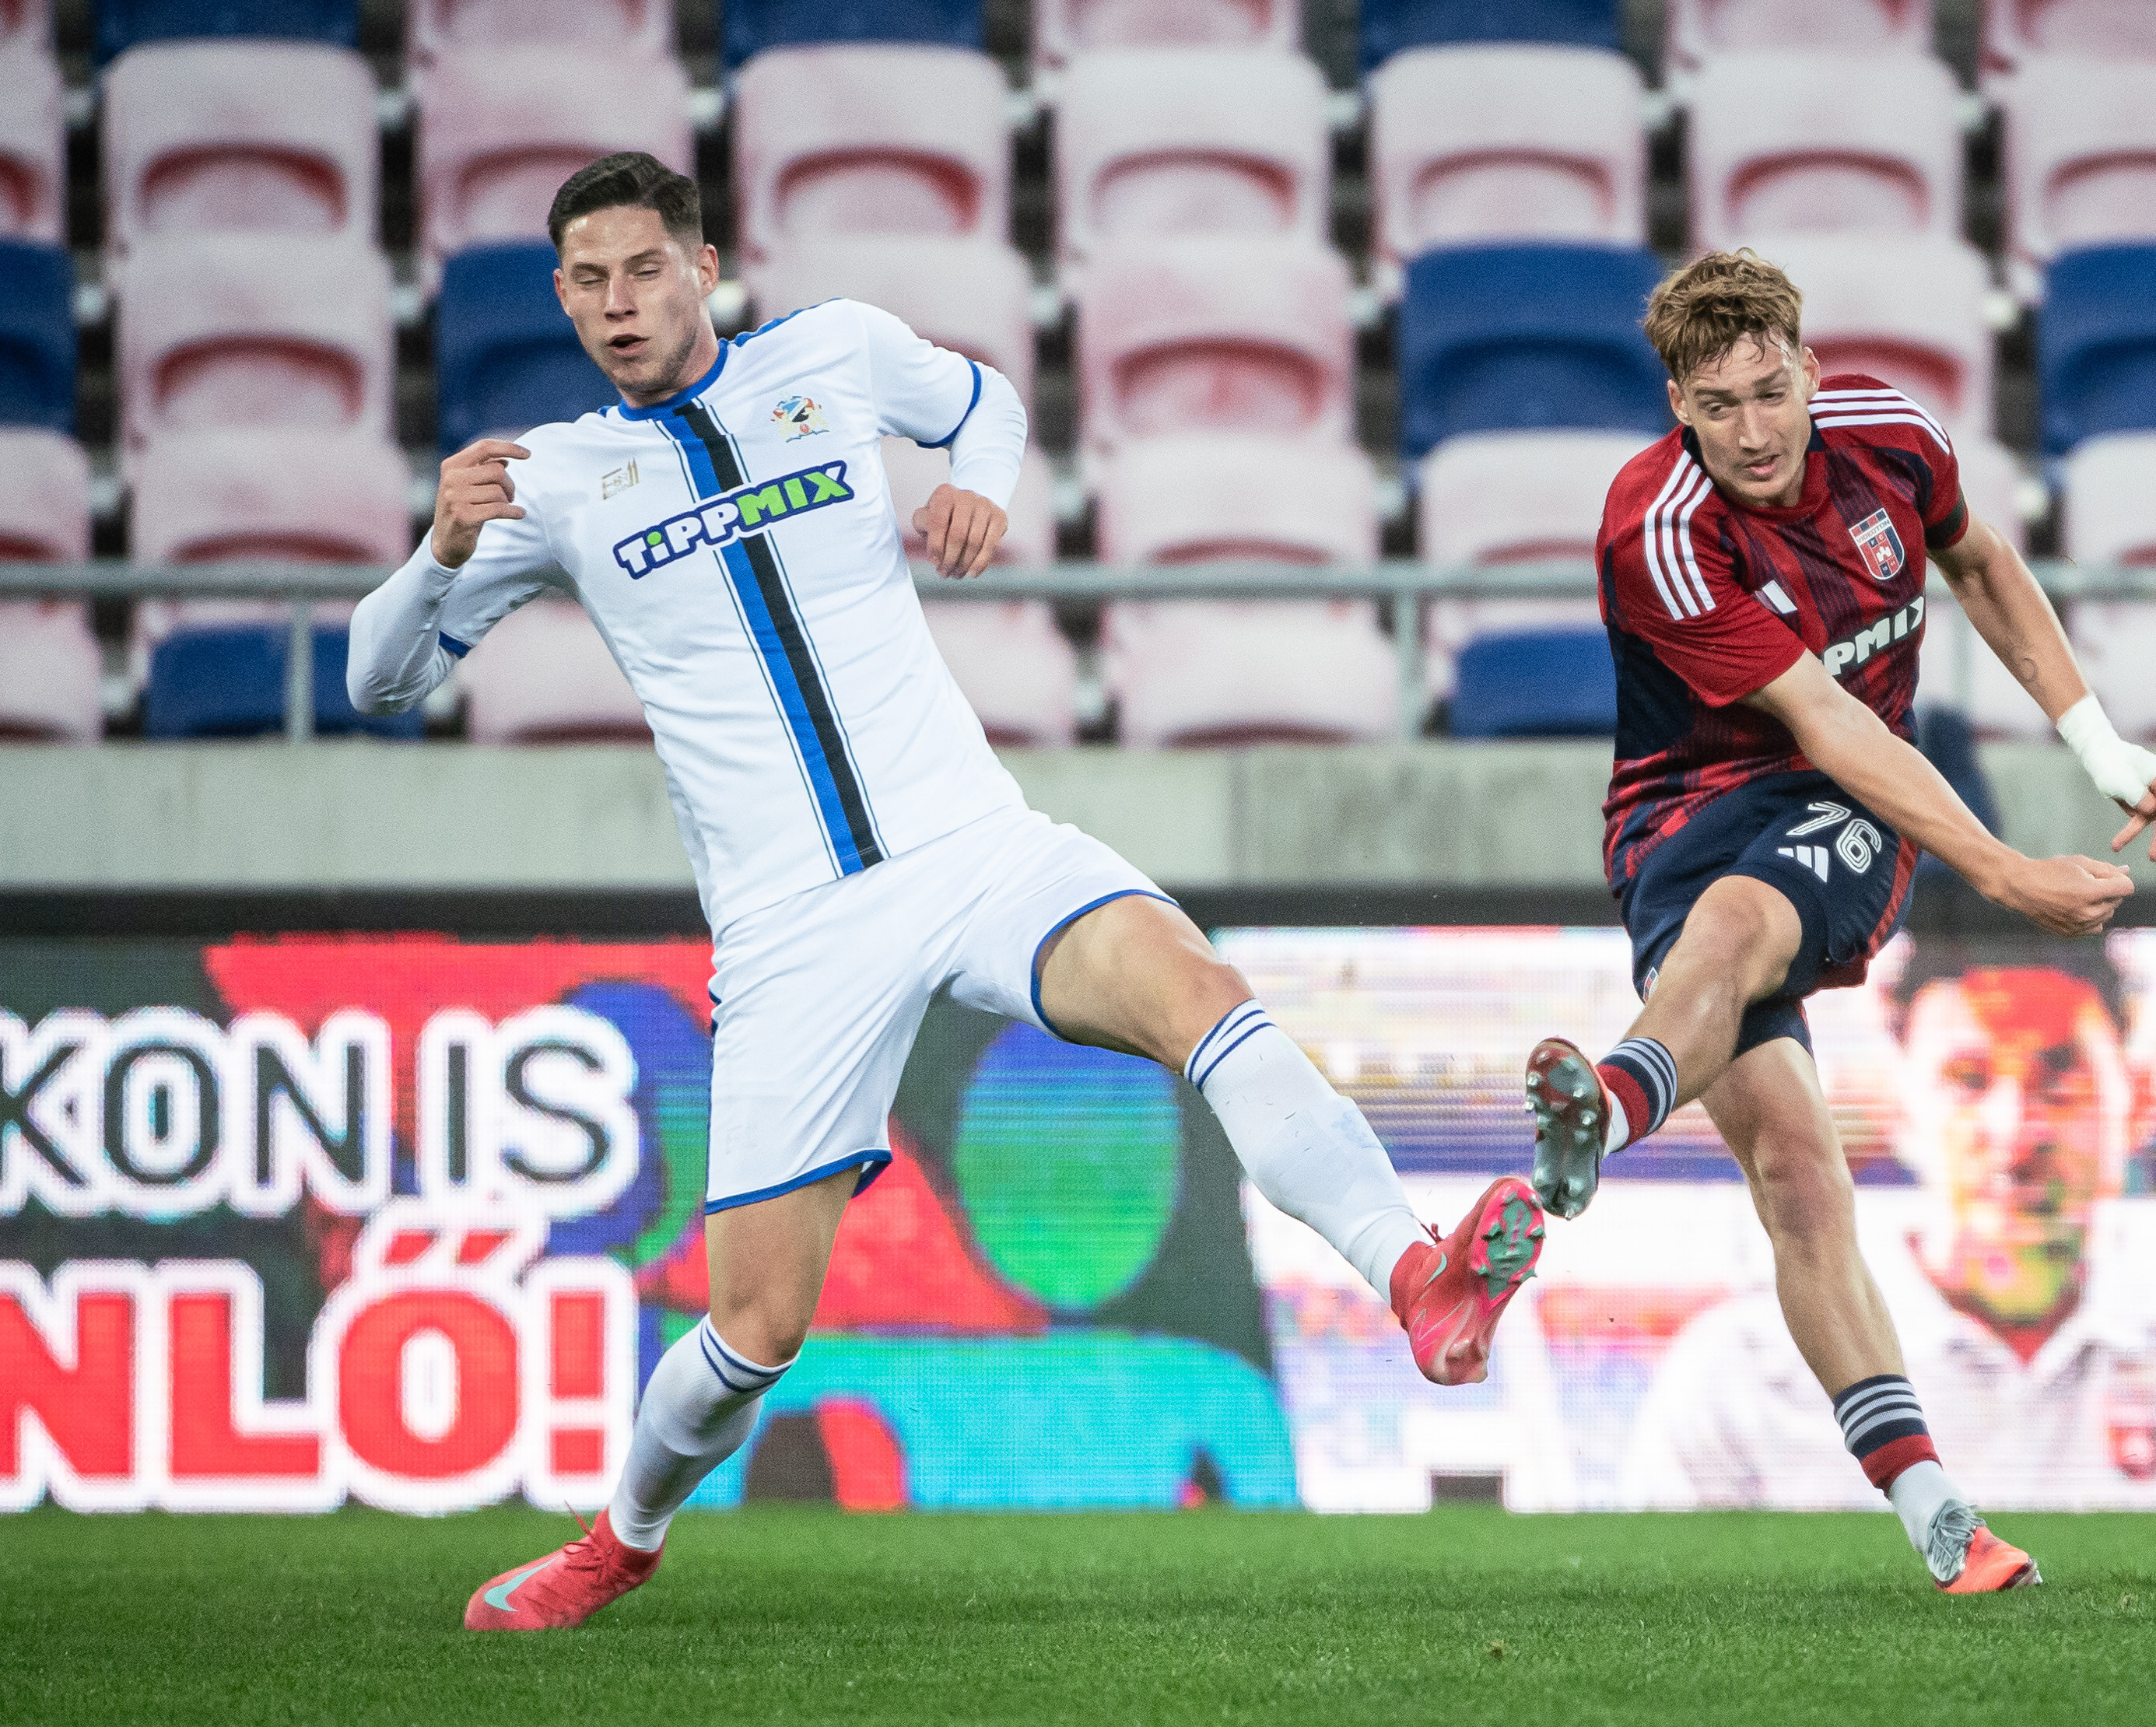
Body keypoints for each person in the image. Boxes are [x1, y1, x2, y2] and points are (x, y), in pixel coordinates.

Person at [347, 152, 1545, 1631]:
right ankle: (621, 1540)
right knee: (754, 1329)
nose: (619, 304)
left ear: (703, 268)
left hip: (971, 843)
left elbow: (989, 404)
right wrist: (439, 552)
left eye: (644, 270)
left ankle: (1416, 1275)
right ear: (561, 297)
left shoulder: (835, 354)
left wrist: (980, 487)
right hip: (792, 932)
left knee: (1201, 993)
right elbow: (379, 682)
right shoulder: (552, 481)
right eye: (588, 282)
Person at [1523, 250, 2156, 1592]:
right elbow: (1817, 711)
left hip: (1849, 802)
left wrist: (2097, 742)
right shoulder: (1658, 527)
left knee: (1741, 927)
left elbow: (1982, 568)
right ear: (1678, 406)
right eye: (1719, 406)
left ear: (1811, 372)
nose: (1754, 432)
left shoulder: (1892, 437)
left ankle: (1606, 1106)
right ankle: (1942, 1518)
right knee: (1799, 1180)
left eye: (1772, 392)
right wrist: (2005, 872)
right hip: (1680, 814)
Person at [1622, 935, 2156, 1513]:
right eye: (1967, 1081)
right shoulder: (1744, 1374)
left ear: (2139, 1103)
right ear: (1898, 1107)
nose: (2014, 1135)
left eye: (2060, 1081)